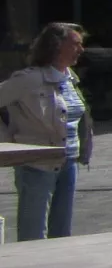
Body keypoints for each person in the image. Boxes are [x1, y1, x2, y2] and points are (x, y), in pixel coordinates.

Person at [0, 22, 92, 240]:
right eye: (75, 44)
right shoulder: (29, 79)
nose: (81, 49)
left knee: (62, 231)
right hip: (36, 164)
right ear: (56, 46)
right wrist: (7, 139)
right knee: (33, 231)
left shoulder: (70, 79)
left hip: (68, 161)